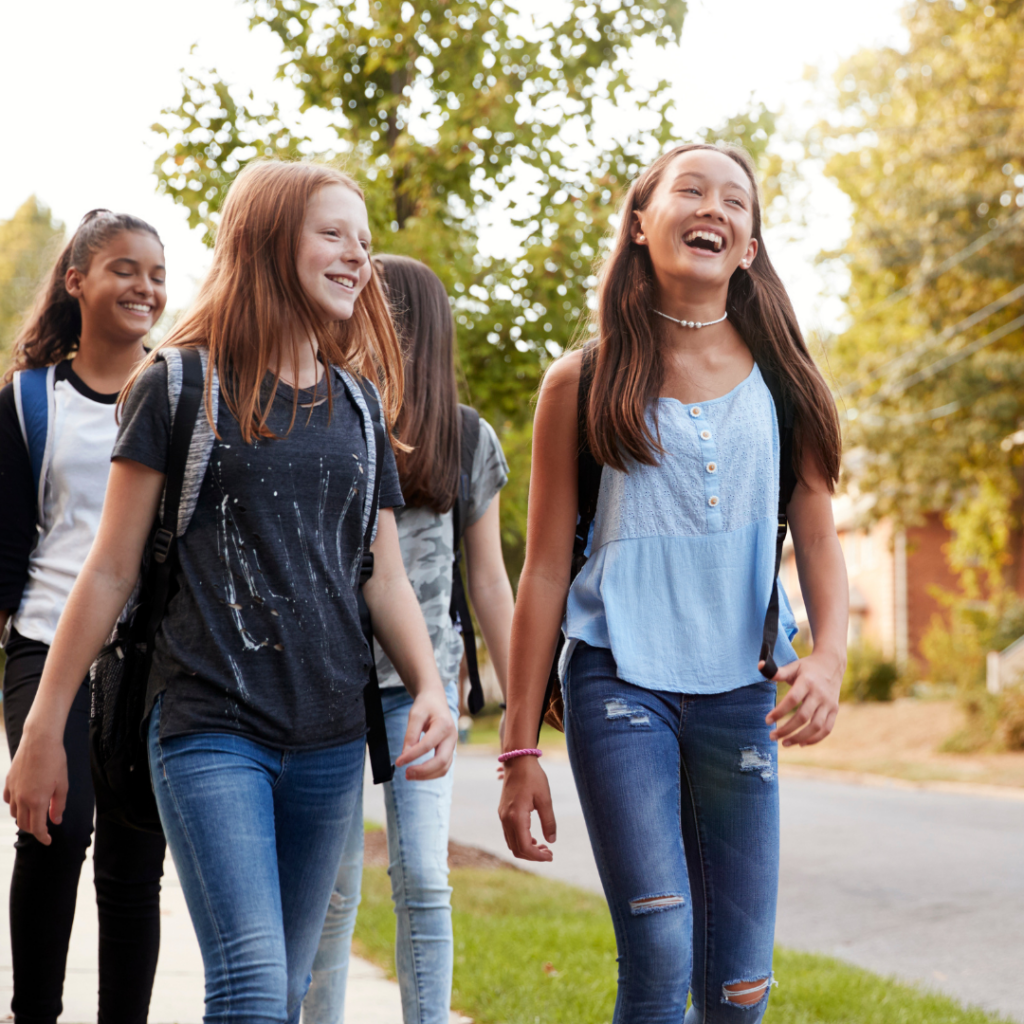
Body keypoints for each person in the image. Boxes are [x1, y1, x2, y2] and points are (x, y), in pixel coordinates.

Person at [4, 161, 457, 1024]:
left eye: (364, 240)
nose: (357, 256)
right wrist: (41, 731)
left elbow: (384, 575)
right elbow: (109, 568)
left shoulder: (360, 403)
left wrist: (430, 686)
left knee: (282, 991)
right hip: (208, 725)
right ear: (264, 239)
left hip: (328, 739)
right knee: (249, 986)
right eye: (333, 234)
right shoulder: (177, 384)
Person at [498, 143, 848, 1023]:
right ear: (640, 222)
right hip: (618, 682)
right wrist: (517, 750)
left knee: (740, 989)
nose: (714, 208)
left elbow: (816, 530)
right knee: (657, 948)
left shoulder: (787, 382)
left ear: (751, 246)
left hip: (742, 692)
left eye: (736, 201)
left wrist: (832, 657)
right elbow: (542, 571)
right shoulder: (579, 380)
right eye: (689, 190)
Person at [304, 255, 515, 1024]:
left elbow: (490, 581)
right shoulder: (321, 413)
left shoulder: (465, 439)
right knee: (332, 889)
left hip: (418, 693)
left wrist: (523, 701)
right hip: (321, 687)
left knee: (423, 877)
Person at [0, 209, 168, 1024]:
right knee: (55, 836)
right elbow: (5, 549)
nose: (145, 287)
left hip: (149, 659)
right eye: (125, 269)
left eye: (158, 275)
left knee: (134, 866)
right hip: (44, 644)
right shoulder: (30, 401)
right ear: (77, 280)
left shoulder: (181, 390)